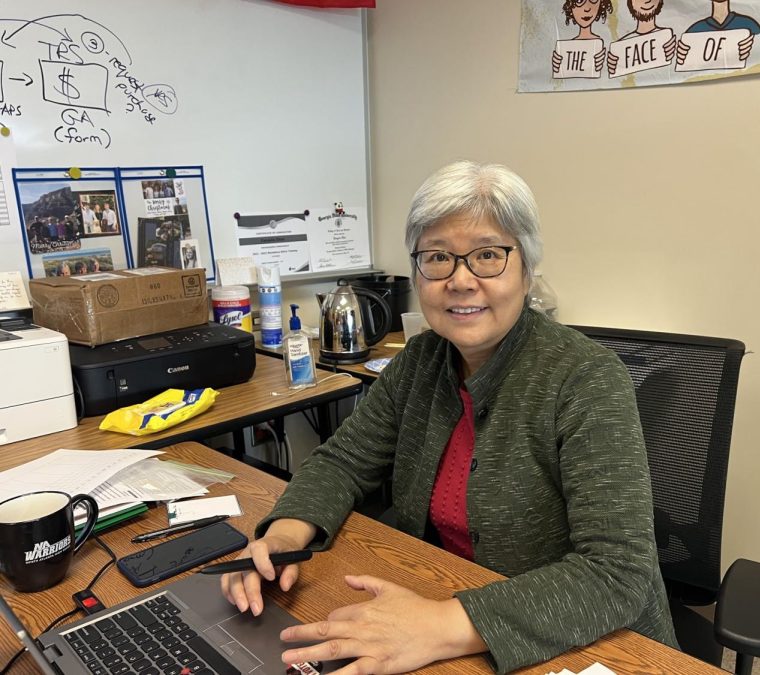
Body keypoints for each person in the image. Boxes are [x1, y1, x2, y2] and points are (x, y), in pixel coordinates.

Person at [220, 161, 677, 674]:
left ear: (526, 268)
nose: (460, 280)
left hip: (586, 643)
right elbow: (344, 461)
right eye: (437, 257)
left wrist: (439, 625)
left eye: (487, 255)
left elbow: (616, 574)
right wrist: (285, 534)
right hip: (445, 599)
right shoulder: (420, 360)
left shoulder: (587, 379)